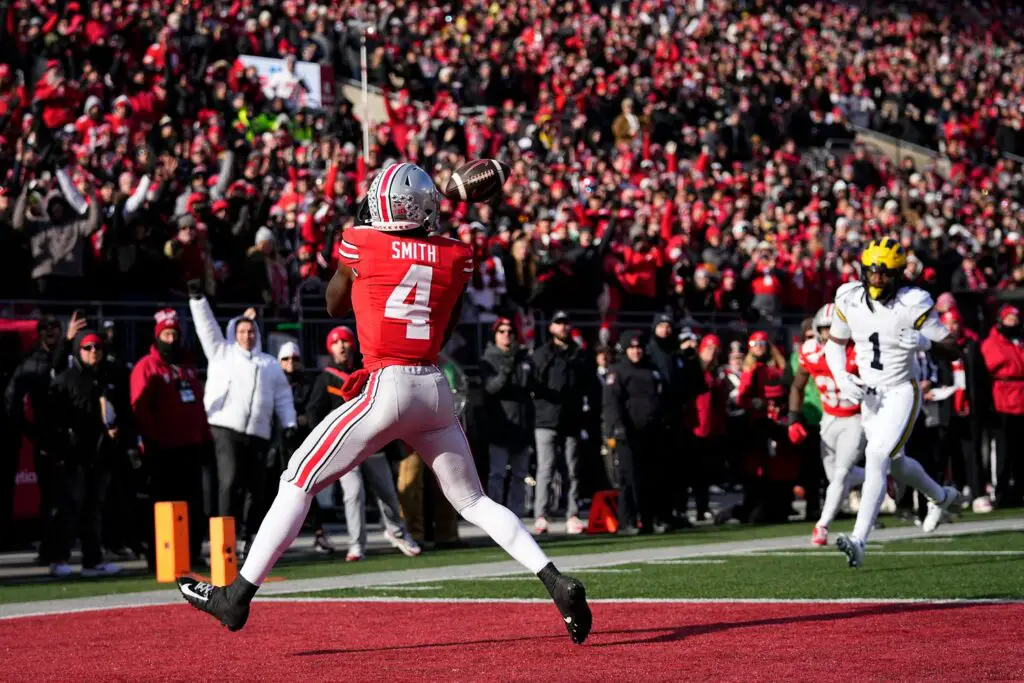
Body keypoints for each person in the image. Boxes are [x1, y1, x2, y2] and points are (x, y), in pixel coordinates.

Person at [177, 162, 592, 644]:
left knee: (298, 477)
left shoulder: (361, 240)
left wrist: (360, 249)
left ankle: (237, 597)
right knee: (475, 500)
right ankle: (556, 582)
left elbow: (334, 304)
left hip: (386, 383)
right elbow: (448, 320)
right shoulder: (458, 254)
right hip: (433, 386)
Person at [827, 239, 962, 568]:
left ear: (899, 274)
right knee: (896, 463)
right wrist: (842, 376)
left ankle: (859, 539)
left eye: (885, 273)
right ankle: (942, 497)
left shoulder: (912, 302)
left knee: (876, 456)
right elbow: (835, 343)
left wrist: (925, 342)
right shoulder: (849, 297)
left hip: (902, 390)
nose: (876, 278)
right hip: (870, 393)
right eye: (872, 271)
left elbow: (953, 348)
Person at [187, 294, 298, 553]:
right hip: (225, 428)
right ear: (234, 333)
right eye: (242, 331)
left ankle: (250, 537)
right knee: (230, 480)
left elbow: (283, 396)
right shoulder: (221, 353)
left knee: (255, 487)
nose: (247, 336)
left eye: (251, 331)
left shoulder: (269, 364)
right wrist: (198, 300)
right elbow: (206, 326)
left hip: (258, 432)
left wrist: (289, 423)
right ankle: (224, 538)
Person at [306, 325, 420, 561]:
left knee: (387, 492)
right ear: (330, 348)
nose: (342, 346)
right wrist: (327, 438)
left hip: (372, 442)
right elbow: (313, 412)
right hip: (345, 447)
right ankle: (356, 545)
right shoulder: (325, 378)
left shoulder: (366, 373)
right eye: (336, 342)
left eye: (346, 341)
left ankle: (397, 532)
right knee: (353, 493)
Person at [45, 329, 133, 577]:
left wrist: (117, 430)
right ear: (78, 352)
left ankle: (92, 561)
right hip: (74, 453)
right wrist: (61, 446)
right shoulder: (67, 379)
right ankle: (59, 557)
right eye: (87, 348)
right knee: (70, 507)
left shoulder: (109, 376)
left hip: (101, 453)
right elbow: (53, 417)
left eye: (97, 347)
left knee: (94, 509)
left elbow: (122, 411)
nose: (93, 352)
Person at [130, 308, 213, 569]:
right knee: (164, 506)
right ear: (157, 336)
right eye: (166, 334)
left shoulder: (186, 366)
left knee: (194, 505)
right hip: (163, 449)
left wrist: (203, 436)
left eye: (174, 333)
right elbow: (139, 408)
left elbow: (198, 404)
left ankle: (192, 552)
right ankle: (161, 556)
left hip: (191, 446)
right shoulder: (146, 367)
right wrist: (150, 441)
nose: (171, 339)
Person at [788, 304, 867, 546]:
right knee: (835, 477)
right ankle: (882, 473)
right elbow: (797, 386)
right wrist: (794, 418)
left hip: (855, 417)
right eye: (825, 329)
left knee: (841, 473)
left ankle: (822, 525)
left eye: (834, 329)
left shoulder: (858, 352)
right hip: (829, 418)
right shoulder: (810, 352)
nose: (829, 335)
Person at [602, 329, 671, 534]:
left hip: (652, 432)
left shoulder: (652, 370)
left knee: (654, 478)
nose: (636, 352)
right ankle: (628, 521)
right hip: (629, 433)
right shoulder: (618, 372)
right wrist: (616, 427)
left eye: (639, 347)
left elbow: (662, 399)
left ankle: (653, 518)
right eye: (632, 348)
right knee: (629, 478)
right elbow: (611, 403)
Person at [270, 342, 334, 553]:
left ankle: (319, 533)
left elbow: (311, 411)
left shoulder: (308, 384)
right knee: (271, 492)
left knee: (305, 490)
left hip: (300, 444)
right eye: (286, 359)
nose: (290, 363)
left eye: (294, 359)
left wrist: (297, 420)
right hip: (277, 443)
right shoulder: (272, 382)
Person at [531, 310, 589, 535]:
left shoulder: (578, 354)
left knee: (572, 470)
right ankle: (541, 514)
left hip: (571, 418)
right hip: (546, 418)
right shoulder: (543, 353)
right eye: (558, 323)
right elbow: (534, 385)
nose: (562, 327)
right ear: (551, 327)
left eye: (565, 323)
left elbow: (586, 383)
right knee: (546, 468)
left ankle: (572, 513)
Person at [480, 317, 534, 517]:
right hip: (499, 425)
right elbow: (493, 388)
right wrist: (507, 366)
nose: (506, 335)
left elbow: (529, 386)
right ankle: (497, 516)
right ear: (495, 335)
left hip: (521, 423)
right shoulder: (488, 359)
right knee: (497, 474)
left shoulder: (522, 358)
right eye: (502, 331)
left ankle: (516, 514)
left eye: (510, 331)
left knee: (520, 474)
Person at [980, 305, 1024, 508]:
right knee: (1003, 451)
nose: (1013, 324)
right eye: (1009, 320)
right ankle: (1002, 492)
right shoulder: (993, 343)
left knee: (1019, 451)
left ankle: (1018, 491)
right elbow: (993, 366)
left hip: (1020, 397)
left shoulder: (1019, 341)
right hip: (1003, 399)